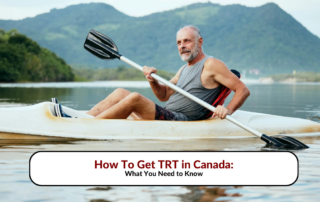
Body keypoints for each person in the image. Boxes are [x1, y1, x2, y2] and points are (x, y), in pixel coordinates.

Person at [86, 25, 250, 120]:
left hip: (179, 120)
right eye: (179, 42)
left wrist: (228, 109)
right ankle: (83, 119)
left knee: (135, 98)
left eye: (187, 41)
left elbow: (243, 90)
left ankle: (88, 127)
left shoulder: (211, 64)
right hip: (165, 115)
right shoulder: (183, 69)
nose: (182, 45)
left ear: (199, 42)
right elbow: (163, 95)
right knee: (121, 92)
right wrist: (152, 80)